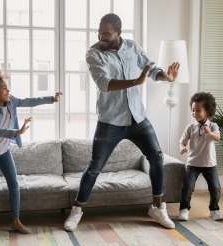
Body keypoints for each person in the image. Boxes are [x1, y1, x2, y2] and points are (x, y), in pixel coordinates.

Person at [63, 13, 180, 232]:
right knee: (94, 167)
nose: (101, 36)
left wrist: (167, 77)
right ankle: (77, 210)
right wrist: (137, 80)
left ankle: (157, 207)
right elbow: (104, 83)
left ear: (119, 33)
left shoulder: (132, 47)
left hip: (138, 118)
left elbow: (151, 70)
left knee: (157, 158)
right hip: (110, 121)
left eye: (106, 33)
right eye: (99, 32)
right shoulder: (93, 53)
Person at [0, 64, 62, 237]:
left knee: (14, 184)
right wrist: (16, 132)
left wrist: (51, 98)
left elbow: (29, 101)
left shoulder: (11, 100)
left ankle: (15, 220)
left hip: (3, 150)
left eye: (7, 88)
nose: (8, 91)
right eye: (4, 88)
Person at [178, 92, 223, 221]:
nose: (195, 113)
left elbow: (218, 137)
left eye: (198, 110)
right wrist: (182, 148)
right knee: (188, 187)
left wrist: (210, 132)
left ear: (207, 111)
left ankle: (214, 209)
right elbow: (182, 141)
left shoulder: (213, 126)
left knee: (215, 188)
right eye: (193, 110)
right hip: (193, 163)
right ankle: (184, 209)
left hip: (210, 164)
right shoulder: (190, 127)